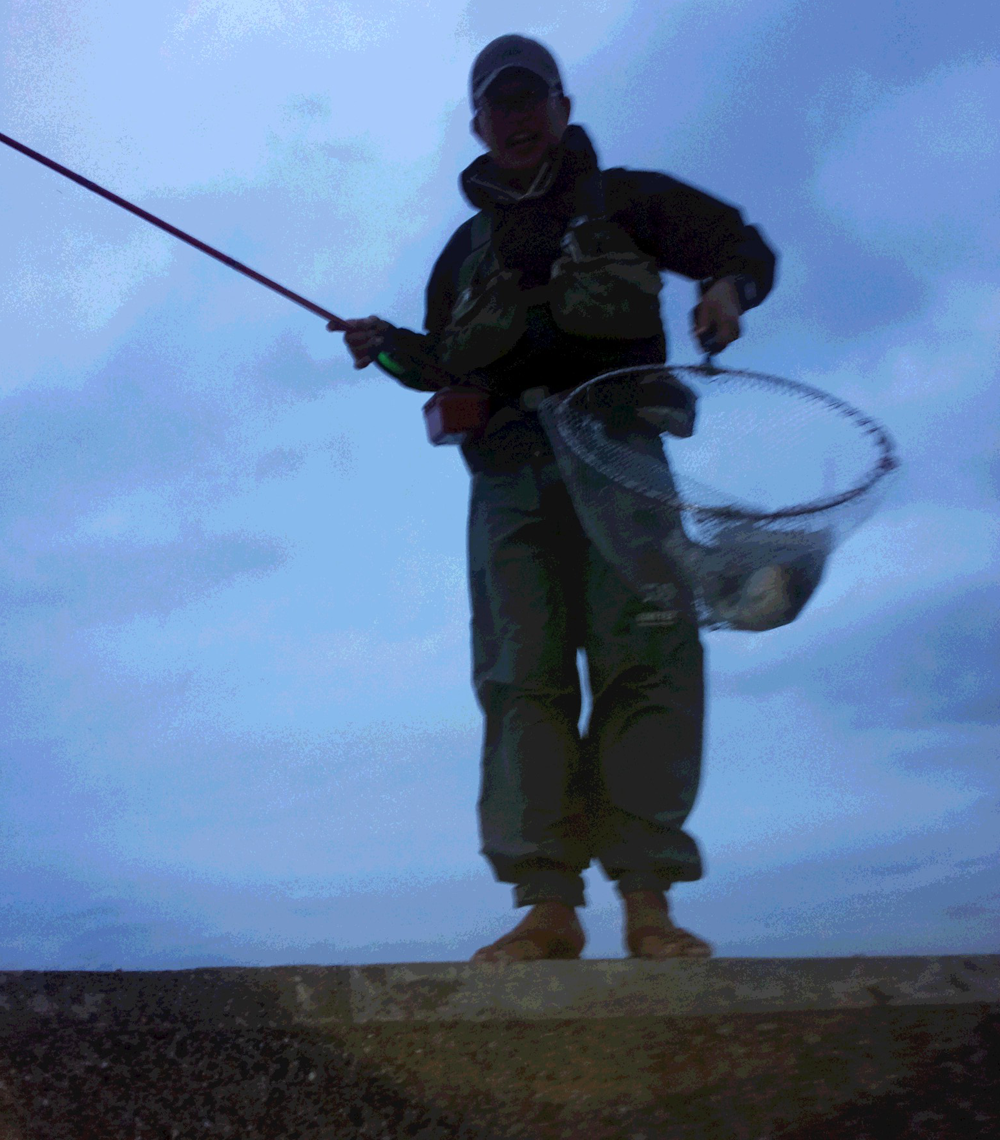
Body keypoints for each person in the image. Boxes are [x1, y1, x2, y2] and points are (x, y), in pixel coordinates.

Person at [333, 35, 777, 963]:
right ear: (478, 125)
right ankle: (547, 908)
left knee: (646, 659)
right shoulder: (464, 251)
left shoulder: (630, 198)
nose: (519, 117)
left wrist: (727, 290)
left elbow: (736, 244)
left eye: (532, 99)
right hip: (509, 480)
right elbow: (450, 367)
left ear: (563, 108)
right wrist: (386, 347)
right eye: (501, 105)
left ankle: (647, 904)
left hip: (623, 458)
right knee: (518, 678)